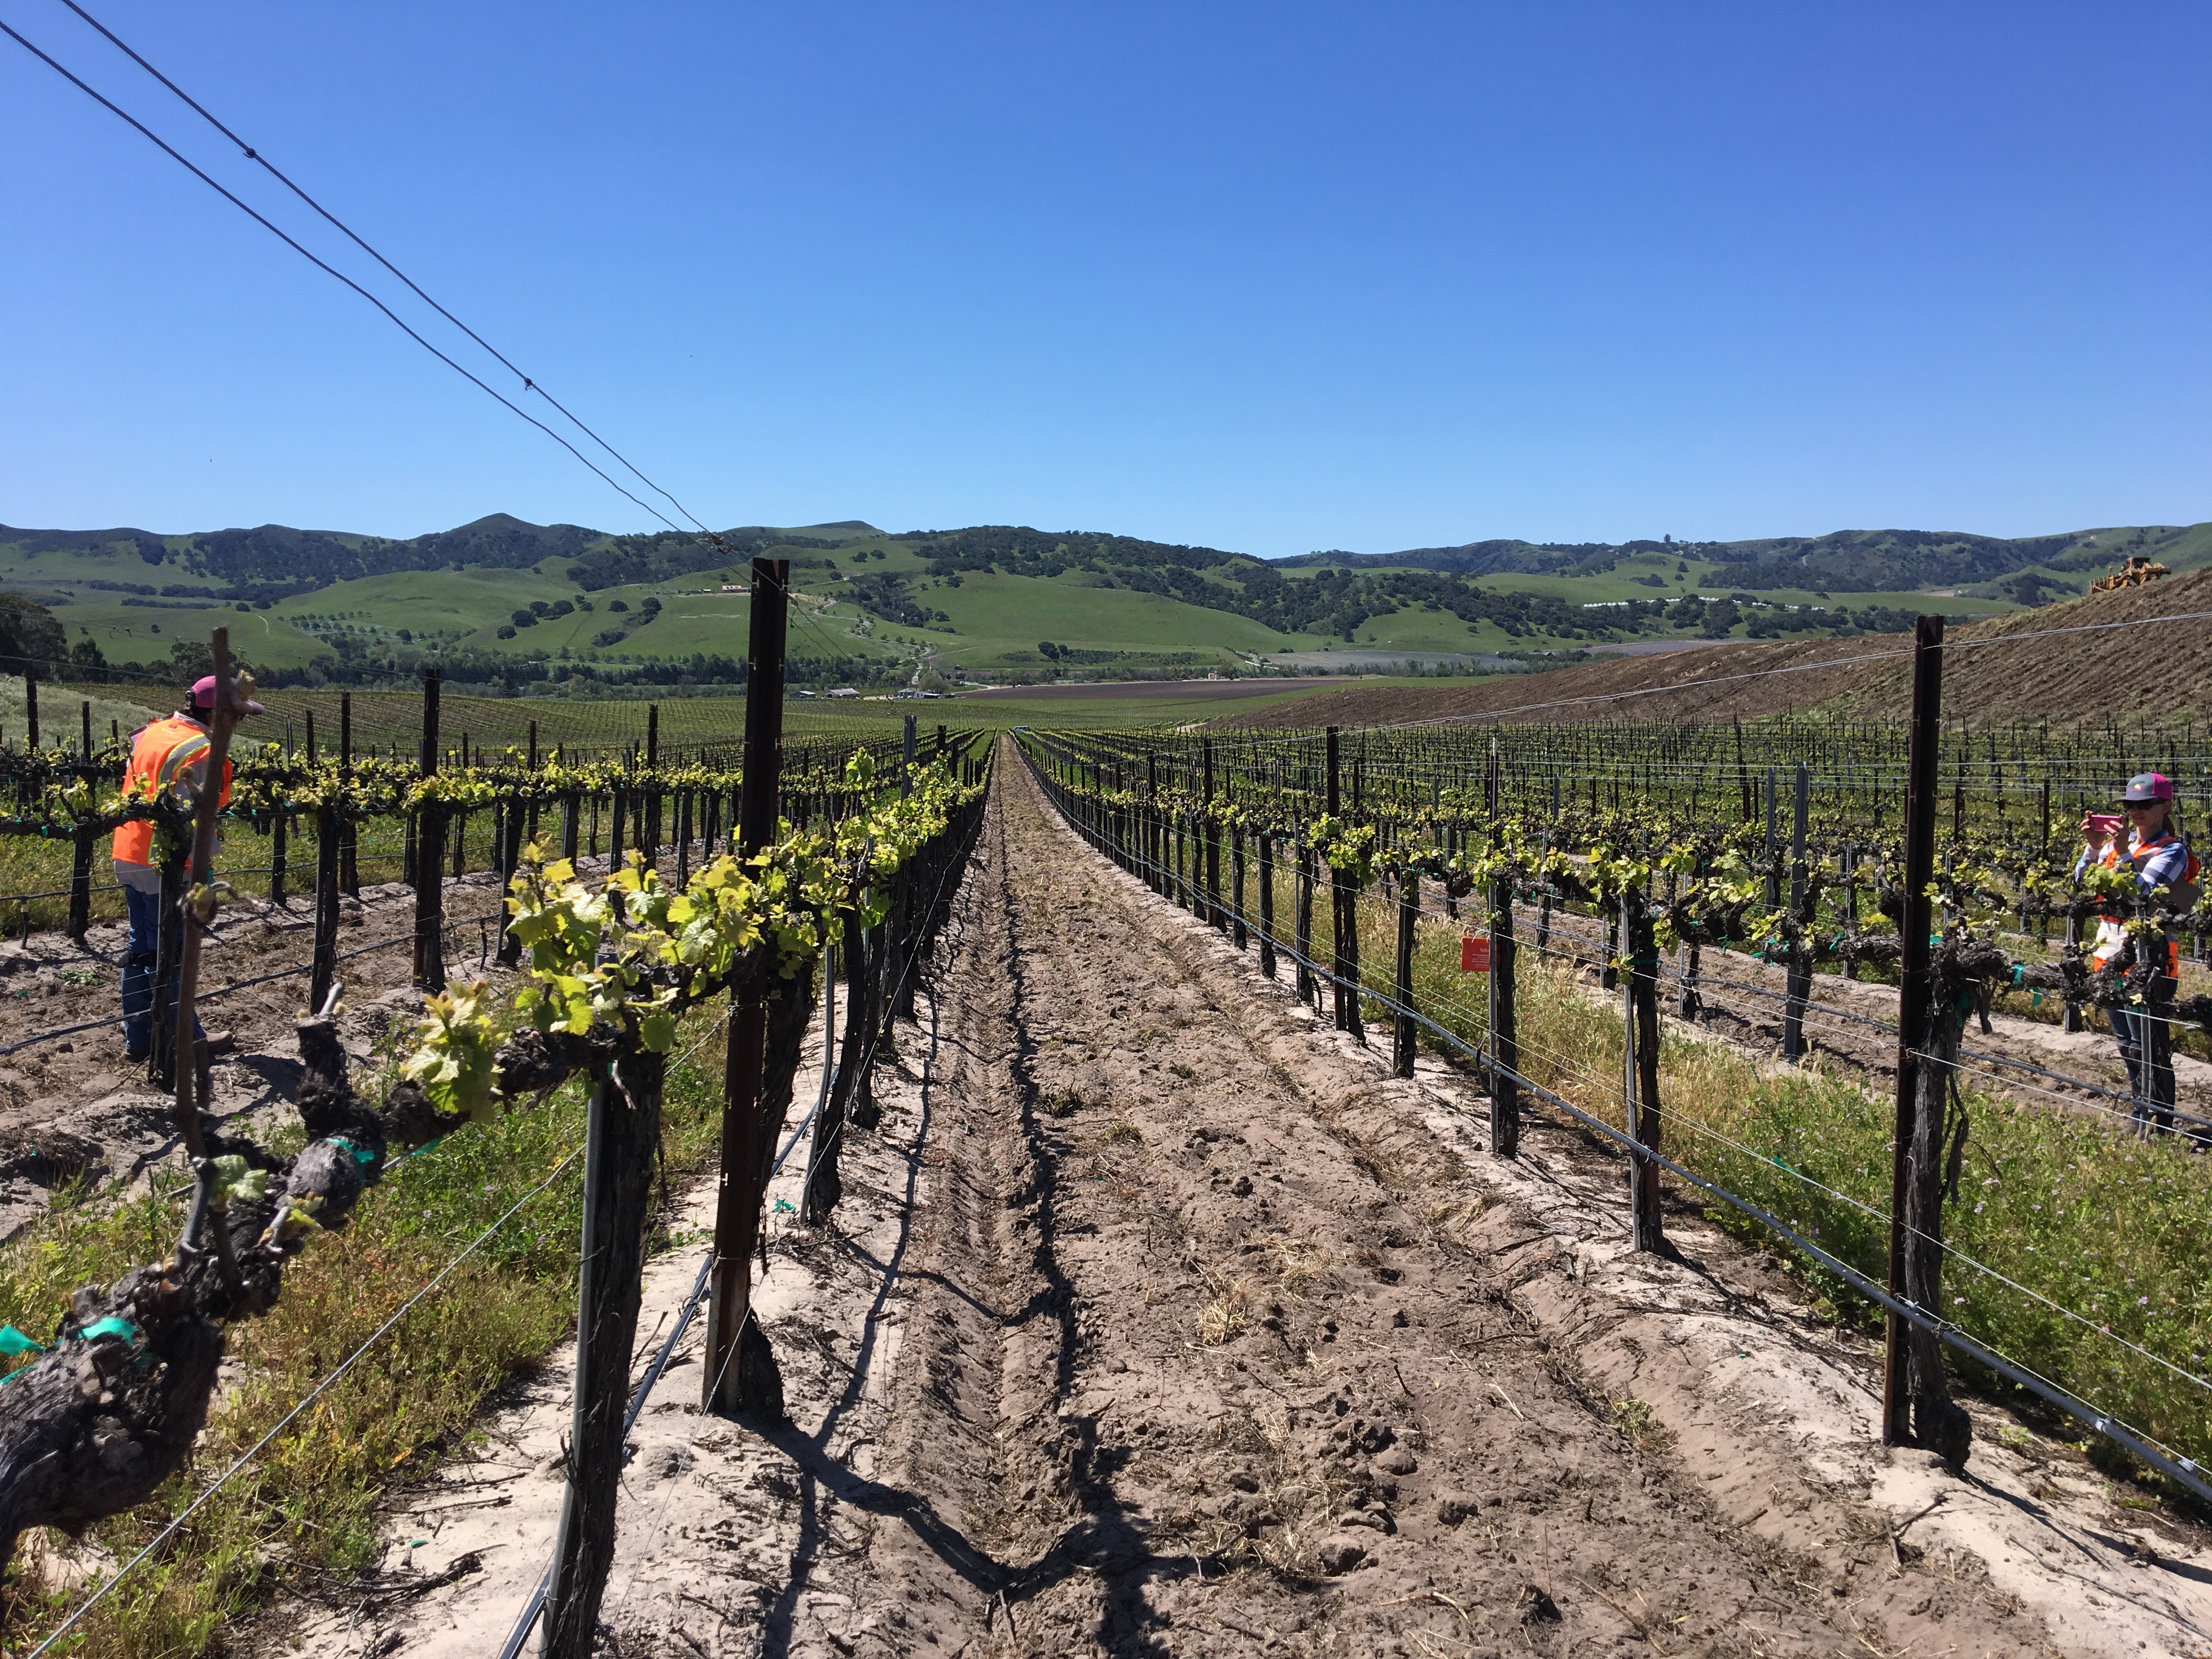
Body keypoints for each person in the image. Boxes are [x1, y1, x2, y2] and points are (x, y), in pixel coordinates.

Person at [114, 674, 262, 1063]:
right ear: (216, 711)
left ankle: (141, 1039)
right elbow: (197, 812)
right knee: (172, 949)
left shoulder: (156, 730)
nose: (241, 722)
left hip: (130, 847)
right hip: (168, 860)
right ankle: (185, 1040)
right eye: (238, 714)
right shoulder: (203, 750)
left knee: (142, 947)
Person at [2075, 772, 2200, 1140]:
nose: (2136, 811)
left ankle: (2159, 1122)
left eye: (2144, 804)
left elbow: (2141, 893)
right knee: (2128, 1044)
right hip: (2110, 953)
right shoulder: (2118, 846)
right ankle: (2139, 1110)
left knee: (2151, 1044)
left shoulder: (2172, 851)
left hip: (2151, 961)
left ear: (2165, 806)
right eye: (2130, 805)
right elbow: (2084, 884)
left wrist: (2123, 852)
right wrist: (2094, 848)